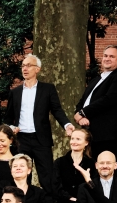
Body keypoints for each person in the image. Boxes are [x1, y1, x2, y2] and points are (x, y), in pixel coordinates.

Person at [4, 53, 73, 188]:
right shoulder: (15, 92)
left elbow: (57, 110)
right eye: (23, 66)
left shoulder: (47, 89)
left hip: (41, 140)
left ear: (37, 69)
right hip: (21, 140)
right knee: (22, 177)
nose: (25, 68)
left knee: (47, 177)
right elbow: (7, 118)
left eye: (29, 65)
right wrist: (12, 128)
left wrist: (67, 124)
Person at [74, 45, 117, 158]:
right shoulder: (95, 80)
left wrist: (82, 113)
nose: (107, 58)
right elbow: (83, 100)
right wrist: (80, 115)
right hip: (88, 134)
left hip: (107, 135)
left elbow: (108, 99)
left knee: (105, 169)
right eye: (105, 56)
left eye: (112, 56)